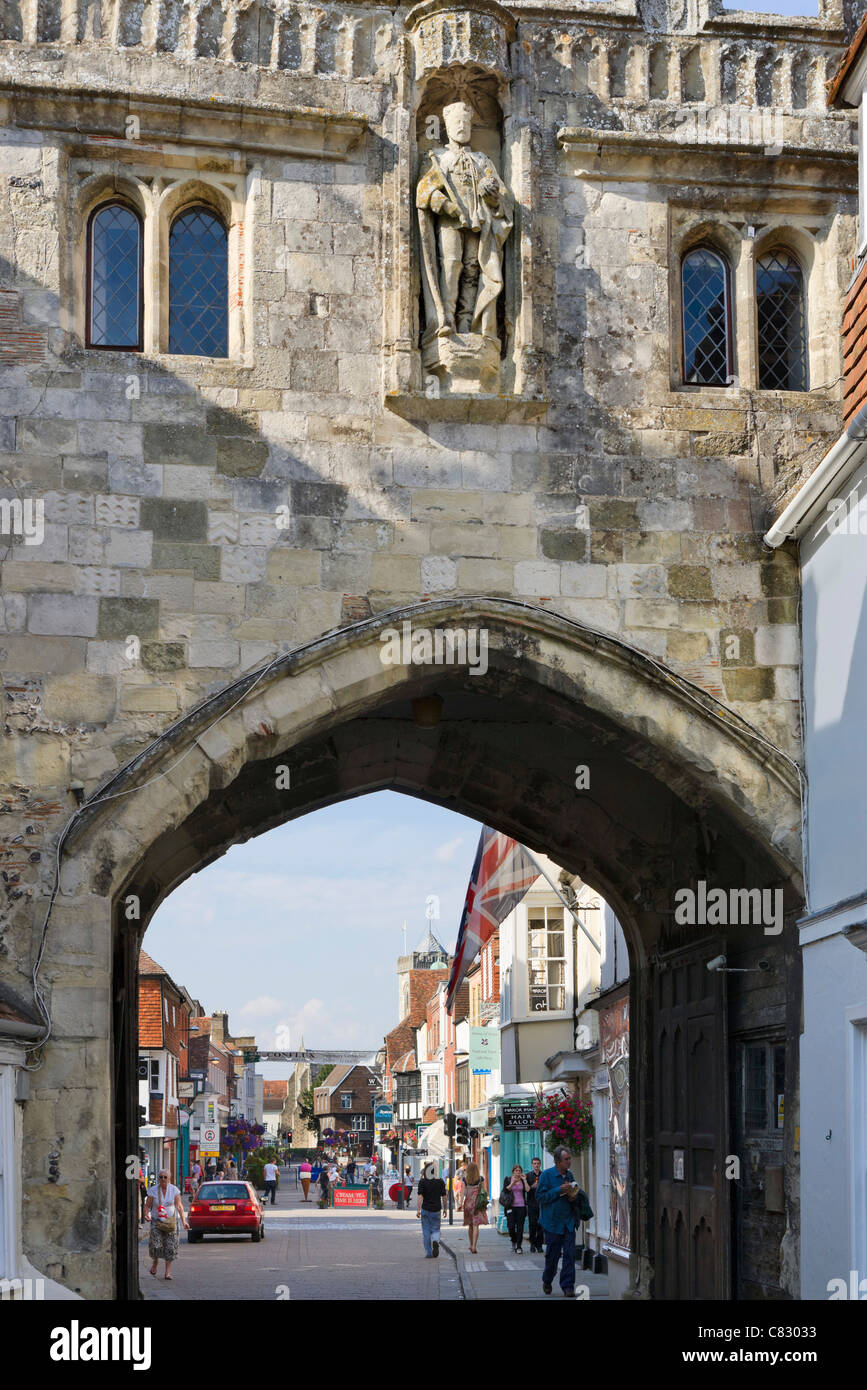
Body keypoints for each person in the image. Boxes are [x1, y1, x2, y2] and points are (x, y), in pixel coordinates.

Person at [536, 1145, 593, 1298]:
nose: (569, 1162)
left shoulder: (570, 1176)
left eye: (569, 1159)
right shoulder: (546, 1176)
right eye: (566, 1159)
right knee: (552, 1257)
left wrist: (573, 1197)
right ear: (557, 1161)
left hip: (568, 1222)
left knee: (569, 1255)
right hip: (552, 1223)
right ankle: (547, 1280)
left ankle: (568, 1286)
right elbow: (540, 1197)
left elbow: (573, 1196)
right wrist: (558, 1190)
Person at [145, 1168, 188, 1281]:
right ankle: (155, 1263)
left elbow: (179, 1206)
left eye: (165, 1177)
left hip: (170, 1222)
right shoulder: (153, 1190)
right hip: (156, 1221)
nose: (163, 1179)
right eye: (161, 1177)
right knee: (156, 1245)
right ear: (158, 1178)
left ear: (169, 1178)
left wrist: (184, 1221)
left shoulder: (174, 1190)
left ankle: (167, 1272)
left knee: (170, 1247)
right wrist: (146, 1214)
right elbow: (147, 1205)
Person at [416, 1161, 447, 1258]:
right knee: (436, 1229)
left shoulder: (422, 1182)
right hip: (436, 1209)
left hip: (425, 1209)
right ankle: (435, 1240)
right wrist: (445, 1209)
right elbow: (444, 1197)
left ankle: (429, 1253)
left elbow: (420, 1197)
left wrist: (418, 1210)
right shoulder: (440, 1181)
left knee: (426, 1231)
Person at [462, 1161, 489, 1255]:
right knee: (476, 1225)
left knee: (470, 1225)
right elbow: (484, 1191)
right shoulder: (480, 1179)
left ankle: (470, 1244)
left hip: (468, 1204)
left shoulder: (465, 1179)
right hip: (478, 1204)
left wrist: (461, 1203)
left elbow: (463, 1193)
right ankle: (474, 1246)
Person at [501, 1164, 529, 1253]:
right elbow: (506, 1190)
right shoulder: (508, 1179)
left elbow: (528, 1190)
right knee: (511, 1226)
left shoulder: (523, 1180)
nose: (518, 1173)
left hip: (521, 1206)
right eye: (516, 1171)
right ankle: (513, 1240)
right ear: (513, 1172)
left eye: (519, 1171)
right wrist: (513, 1182)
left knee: (520, 1227)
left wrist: (524, 1180)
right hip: (511, 1206)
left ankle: (519, 1246)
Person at [526, 1155, 544, 1253]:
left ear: (540, 1164)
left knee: (541, 1225)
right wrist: (533, 1186)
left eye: (538, 1164)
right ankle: (532, 1244)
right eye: (534, 1164)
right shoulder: (528, 1175)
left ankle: (539, 1245)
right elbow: (526, 1189)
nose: (536, 1165)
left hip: (541, 1204)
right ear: (532, 1165)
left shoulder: (543, 1175)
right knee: (532, 1225)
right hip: (532, 1204)